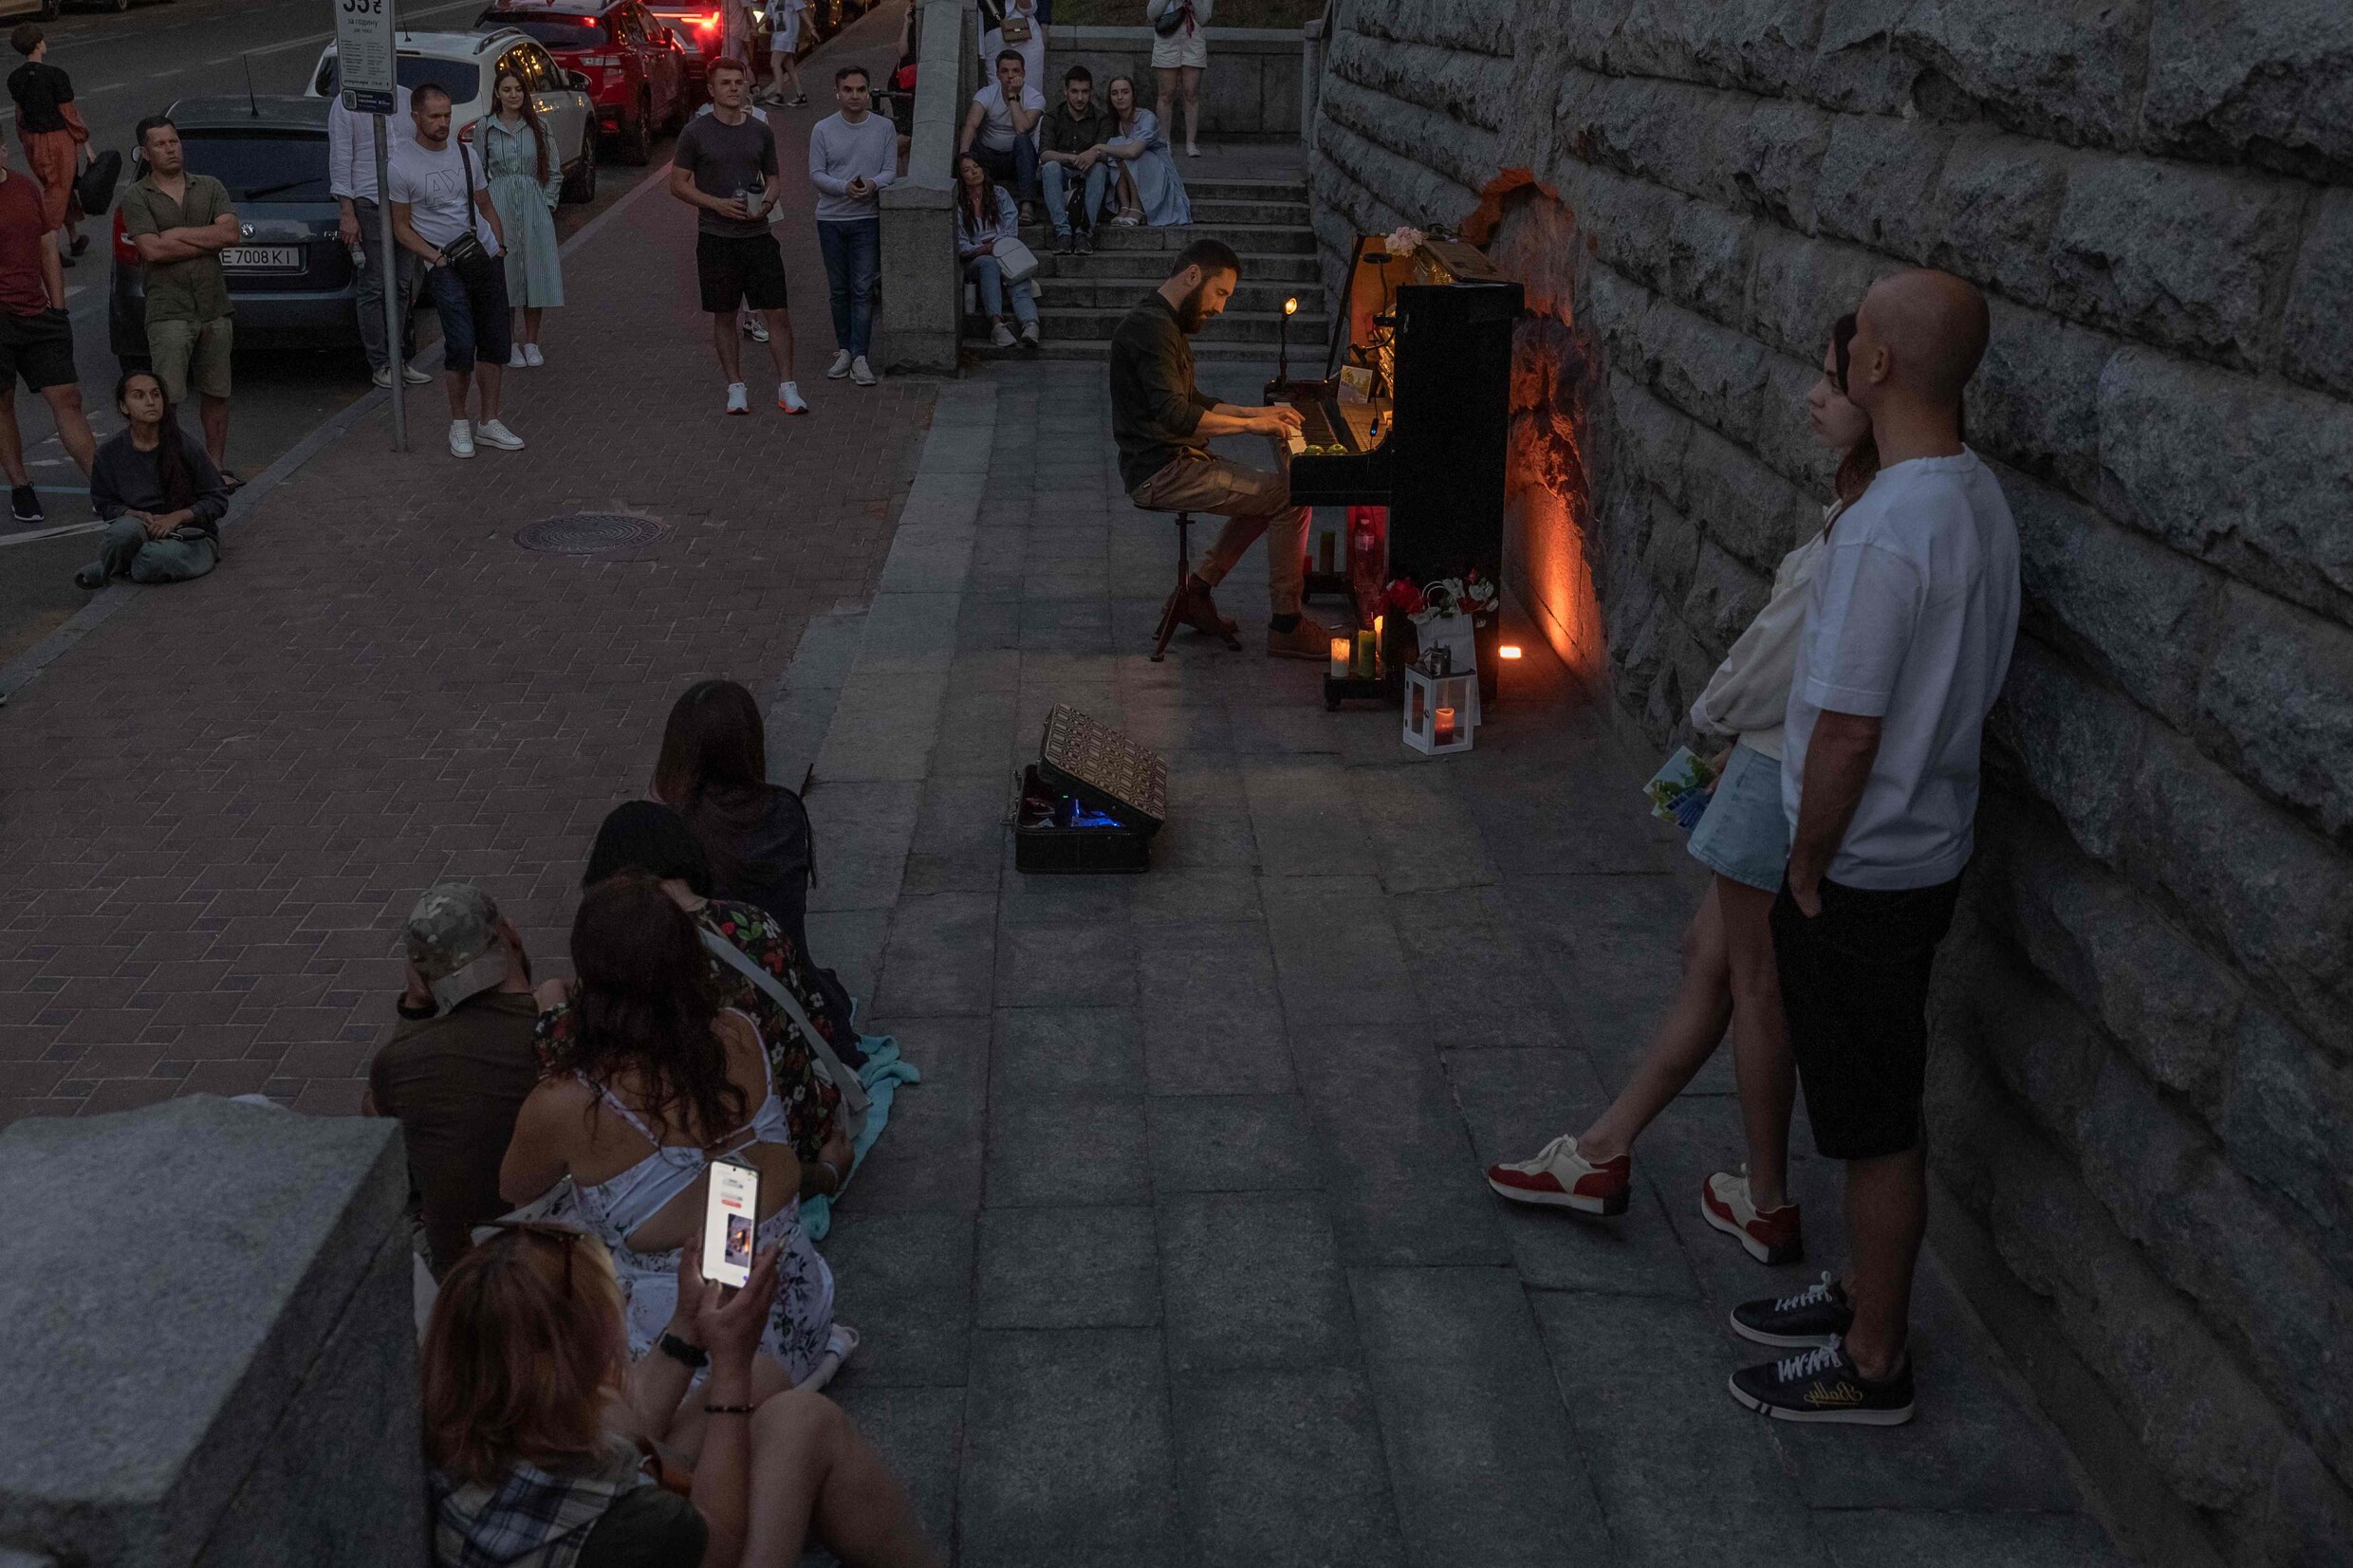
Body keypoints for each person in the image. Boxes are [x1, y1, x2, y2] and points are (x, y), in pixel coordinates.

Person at [1483, 317, 1882, 1266]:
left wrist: (1704, 719)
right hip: (1769, 763)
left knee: (1750, 979)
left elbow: (1773, 657)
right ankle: (1603, 1148)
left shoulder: (1862, 528)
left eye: (1829, 381)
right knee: (1708, 954)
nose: (1810, 396)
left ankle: (1764, 1197)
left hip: (1765, 763)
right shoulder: (1867, 508)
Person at [1725, 269, 2017, 1428]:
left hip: (1862, 867)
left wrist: (1802, 865)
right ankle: (1860, 1291)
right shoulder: (1972, 496)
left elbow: (1845, 727)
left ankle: (1873, 1358)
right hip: (1927, 846)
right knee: (1869, 1102)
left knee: (1871, 1119)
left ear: (1879, 366)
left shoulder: (1890, 526)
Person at [501, 873, 850, 1389]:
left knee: (535, 1228)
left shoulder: (563, 1103)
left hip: (695, 1365)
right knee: (729, 1194)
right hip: (798, 1319)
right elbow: (730, 1191)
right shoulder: (738, 1031)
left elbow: (513, 1190)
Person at [422, 1227, 937, 1568]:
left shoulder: (467, 1415)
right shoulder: (630, 1525)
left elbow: (622, 1424)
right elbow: (721, 1541)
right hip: (690, 1543)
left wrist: (689, 1325)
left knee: (764, 1378)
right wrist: (729, 1370)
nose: (621, 1302)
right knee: (803, 1420)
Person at [539, 800, 854, 1189]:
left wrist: (552, 1009)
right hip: (804, 1129)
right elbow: (812, 1017)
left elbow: (576, 1067)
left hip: (723, 1172)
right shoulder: (754, 923)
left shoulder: (624, 957)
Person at [1109, 237, 1331, 659]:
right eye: (1220, 293)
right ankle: (1287, 625)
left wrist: (1258, 416)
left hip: (1172, 461)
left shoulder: (1161, 322)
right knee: (1292, 496)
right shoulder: (1151, 329)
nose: (1220, 308)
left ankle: (1196, 593)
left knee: (1270, 493)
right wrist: (1252, 426)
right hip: (1162, 471)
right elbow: (1177, 414)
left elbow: (1194, 399)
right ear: (1193, 275)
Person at [362, 882, 544, 1279]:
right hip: (555, 1258)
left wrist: (412, 1012)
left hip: (462, 1278)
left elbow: (377, 1114)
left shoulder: (401, 1062)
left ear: (423, 982)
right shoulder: (560, 1027)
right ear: (510, 933)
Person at [389, 83, 525, 459]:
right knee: (461, 344)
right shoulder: (402, 164)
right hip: (445, 264)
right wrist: (434, 257)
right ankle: (459, 423)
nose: (443, 122)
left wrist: (498, 247)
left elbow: (485, 204)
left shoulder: (466, 156)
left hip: (484, 256)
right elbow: (400, 227)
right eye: (434, 116)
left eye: (447, 115)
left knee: (495, 342)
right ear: (415, 116)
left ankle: (489, 421)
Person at [673, 58, 806, 416]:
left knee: (777, 310)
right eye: (726, 83)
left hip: (758, 234)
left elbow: (774, 177)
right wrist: (715, 203)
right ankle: (735, 387)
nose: (734, 88)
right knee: (724, 314)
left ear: (748, 86)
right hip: (716, 237)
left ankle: (787, 387)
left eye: (740, 82)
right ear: (712, 90)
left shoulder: (760, 131)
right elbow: (678, 184)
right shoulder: (695, 132)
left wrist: (768, 200)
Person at [120, 116, 239, 482]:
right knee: (165, 399)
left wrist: (178, 234)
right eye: (161, 144)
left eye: (174, 142)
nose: (171, 149)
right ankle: (168, 470)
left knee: (217, 392)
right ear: (145, 152)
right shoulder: (137, 196)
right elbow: (152, 250)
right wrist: (206, 237)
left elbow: (231, 234)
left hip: (214, 307)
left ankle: (214, 468)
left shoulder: (210, 186)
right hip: (169, 311)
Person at [0, 130, 94, 526]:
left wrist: (59, 308)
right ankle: (21, 486)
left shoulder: (23, 187)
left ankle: (102, 485)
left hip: (38, 315)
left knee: (67, 398)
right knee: (3, 405)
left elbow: (45, 248)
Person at [73, 369, 230, 589]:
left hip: (189, 535)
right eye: (139, 396)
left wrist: (176, 517)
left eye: (156, 395)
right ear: (124, 406)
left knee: (154, 557)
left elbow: (218, 499)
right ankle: (119, 568)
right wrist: (132, 514)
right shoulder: (109, 453)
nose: (150, 402)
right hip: (141, 528)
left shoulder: (185, 446)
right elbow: (105, 504)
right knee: (121, 532)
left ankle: (110, 570)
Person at [328, 80, 431, 390]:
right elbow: (341, 159)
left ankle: (399, 360)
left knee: (402, 284)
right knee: (373, 286)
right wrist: (347, 212)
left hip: (404, 203)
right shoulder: (347, 102)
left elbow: (416, 149)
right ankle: (381, 364)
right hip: (368, 203)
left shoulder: (403, 97)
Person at [807, 65, 894, 388]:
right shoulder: (823, 129)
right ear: (838, 93)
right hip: (831, 218)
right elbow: (816, 173)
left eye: (861, 90)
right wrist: (845, 187)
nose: (855, 96)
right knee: (839, 290)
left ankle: (860, 355)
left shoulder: (883, 128)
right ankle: (844, 348)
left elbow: (890, 171)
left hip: (867, 219)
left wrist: (871, 184)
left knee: (863, 289)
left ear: (868, 92)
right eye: (848, 90)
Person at [480, 67, 564, 369]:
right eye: (507, 90)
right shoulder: (486, 128)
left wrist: (547, 203)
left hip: (532, 203)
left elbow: (554, 169)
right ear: (497, 94)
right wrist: (483, 211)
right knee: (507, 276)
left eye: (518, 89)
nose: (513, 95)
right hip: (499, 203)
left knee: (534, 274)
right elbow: (478, 171)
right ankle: (510, 342)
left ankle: (532, 342)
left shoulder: (538, 126)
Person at [6, 27, 85, 263]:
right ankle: (48, 246)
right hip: (57, 139)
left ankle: (74, 238)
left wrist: (24, 138)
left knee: (60, 187)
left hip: (32, 140)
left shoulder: (15, 78)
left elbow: (19, 114)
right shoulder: (55, 75)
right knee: (58, 189)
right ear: (39, 43)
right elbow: (69, 113)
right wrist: (84, 142)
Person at [955, 153, 1037, 349]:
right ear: (961, 178)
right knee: (989, 263)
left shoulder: (999, 193)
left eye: (976, 166)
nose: (974, 172)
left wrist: (995, 246)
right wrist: (985, 249)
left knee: (1017, 276)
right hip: (976, 259)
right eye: (967, 170)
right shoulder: (958, 202)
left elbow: (1011, 230)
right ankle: (997, 326)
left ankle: (1031, 325)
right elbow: (961, 244)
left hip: (1004, 251)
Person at [1037, 65, 1113, 256]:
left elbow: (1106, 153)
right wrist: (1072, 157)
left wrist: (1094, 153)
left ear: (1091, 91)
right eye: (1075, 91)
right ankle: (1063, 233)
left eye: (1085, 92)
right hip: (1062, 173)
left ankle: (1083, 233)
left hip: (1089, 174)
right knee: (1050, 167)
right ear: (1065, 91)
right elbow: (1044, 153)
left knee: (1100, 169)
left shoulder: (1101, 118)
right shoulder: (1053, 117)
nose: (1080, 98)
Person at [959, 50, 1041, 224]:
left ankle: (1027, 205)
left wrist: (1013, 95)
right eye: (1004, 71)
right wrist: (963, 157)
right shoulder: (986, 94)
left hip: (1018, 159)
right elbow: (971, 124)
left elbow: (1022, 128)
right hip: (989, 157)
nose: (1010, 76)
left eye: (1015, 71)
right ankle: (970, 201)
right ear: (997, 74)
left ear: (1023, 73)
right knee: (970, 147)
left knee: (1023, 140)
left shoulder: (1035, 97)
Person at [1102, 75, 1188, 227]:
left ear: (1133, 95)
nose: (1120, 97)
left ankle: (1137, 207)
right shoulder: (1112, 121)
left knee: (1129, 150)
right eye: (1115, 93)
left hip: (1156, 171)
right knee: (1118, 146)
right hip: (1131, 172)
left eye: (1125, 92)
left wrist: (1099, 147)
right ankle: (1125, 205)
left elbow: (1134, 151)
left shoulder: (1147, 118)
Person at [1144, 0, 1209, 158]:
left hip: (1193, 40)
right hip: (1167, 40)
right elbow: (1152, 14)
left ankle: (1191, 143)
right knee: (1166, 93)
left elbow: (1204, 18)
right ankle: (1165, 141)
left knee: (1191, 93)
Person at [977, 0, 1044, 104]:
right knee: (998, 94)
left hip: (1025, 36)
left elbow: (1028, 8)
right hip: (994, 37)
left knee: (1030, 95)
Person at [762, 0, 811, 106]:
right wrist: (756, 26)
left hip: (787, 35)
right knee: (790, 67)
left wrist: (811, 27)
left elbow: (802, 10)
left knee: (775, 63)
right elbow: (767, 14)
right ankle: (800, 94)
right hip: (777, 35)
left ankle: (779, 94)